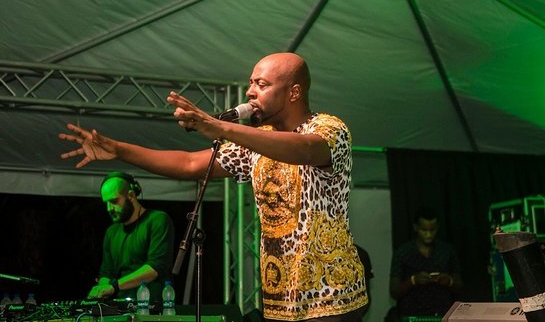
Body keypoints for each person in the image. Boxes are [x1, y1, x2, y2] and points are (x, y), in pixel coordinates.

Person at [59, 52, 368, 322]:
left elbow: (303, 150)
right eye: (250, 83)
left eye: (262, 84)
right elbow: (189, 164)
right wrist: (119, 150)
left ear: (294, 91)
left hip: (331, 292)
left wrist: (217, 125)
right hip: (281, 295)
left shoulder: (329, 128)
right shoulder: (255, 143)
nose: (250, 91)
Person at [87, 171, 175, 303]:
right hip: (120, 308)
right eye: (106, 203)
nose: (109, 208)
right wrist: (101, 290)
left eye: (114, 201)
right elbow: (106, 272)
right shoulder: (111, 232)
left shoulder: (157, 220)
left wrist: (114, 286)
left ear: (131, 196)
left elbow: (155, 267)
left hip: (152, 308)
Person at [387, 206, 462, 320]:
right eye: (424, 230)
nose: (428, 235)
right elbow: (394, 291)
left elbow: (460, 286)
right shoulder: (403, 252)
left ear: (438, 227)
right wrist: (413, 281)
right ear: (416, 227)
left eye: (432, 230)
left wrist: (449, 281)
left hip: (443, 314)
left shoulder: (447, 251)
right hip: (412, 315)